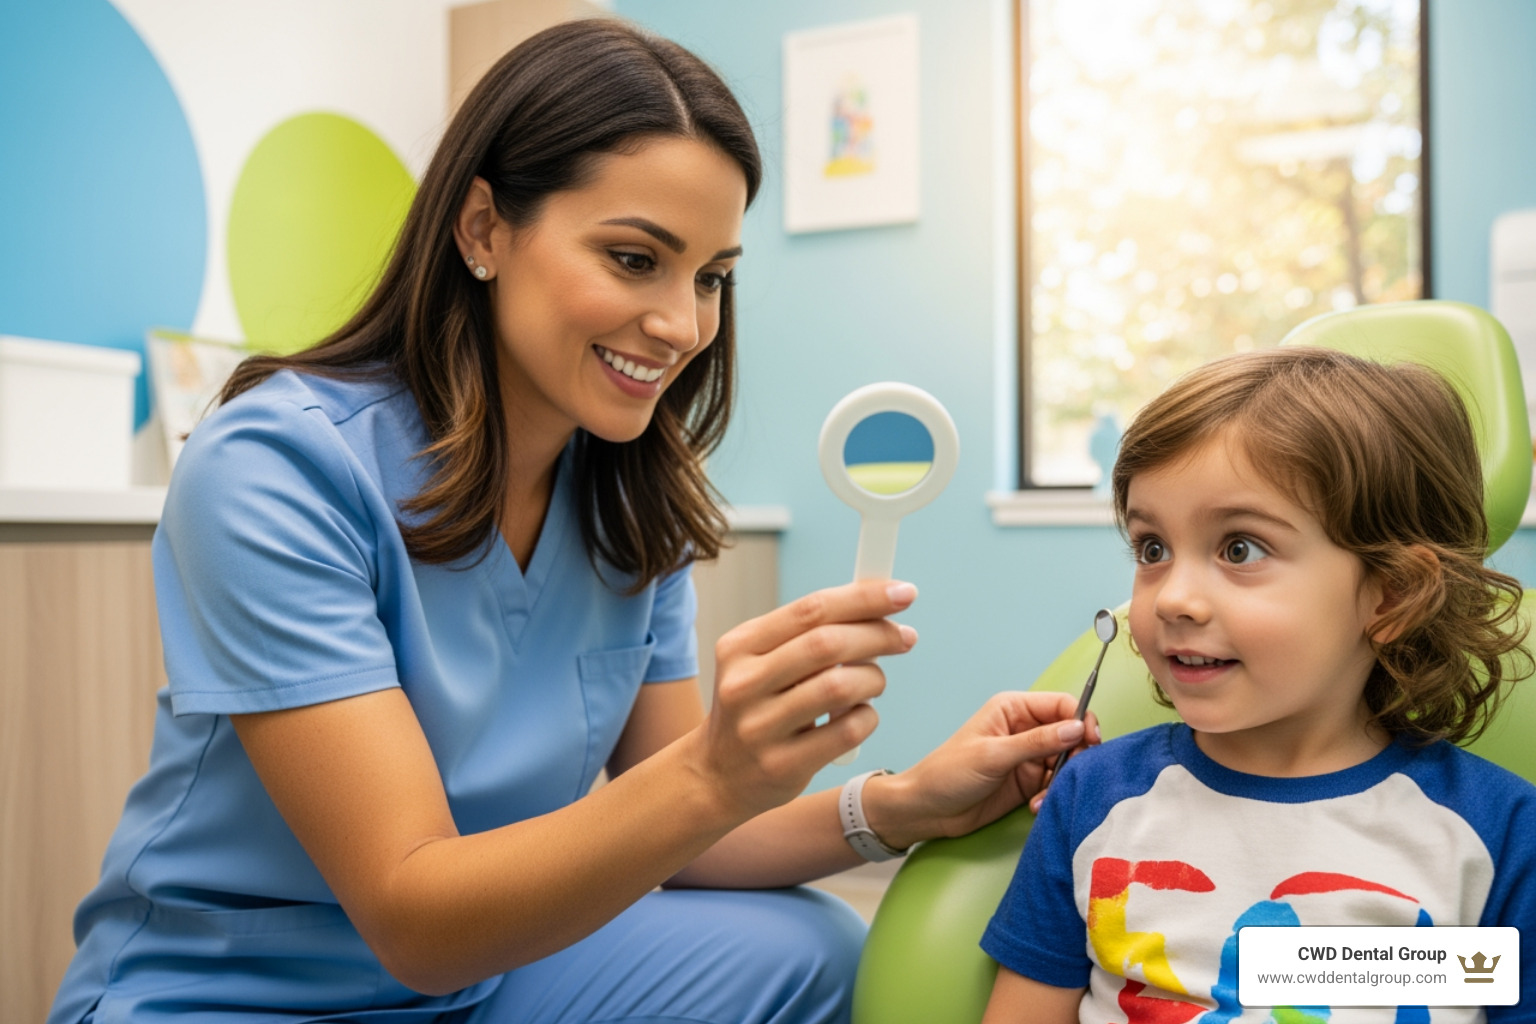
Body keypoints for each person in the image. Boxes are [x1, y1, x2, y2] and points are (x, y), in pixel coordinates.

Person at [49, 19, 1097, 1024]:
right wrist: (714, 770)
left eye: (712, 278)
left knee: (813, 952)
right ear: (483, 229)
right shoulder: (278, 467)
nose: (682, 324)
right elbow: (416, 918)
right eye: (635, 258)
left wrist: (898, 804)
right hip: (237, 992)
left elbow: (681, 833)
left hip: (490, 976)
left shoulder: (629, 496)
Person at [981, 347, 1536, 1023]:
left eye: (1239, 548)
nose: (1172, 598)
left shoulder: (1499, 833)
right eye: (1153, 548)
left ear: (1392, 595)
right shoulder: (1092, 799)